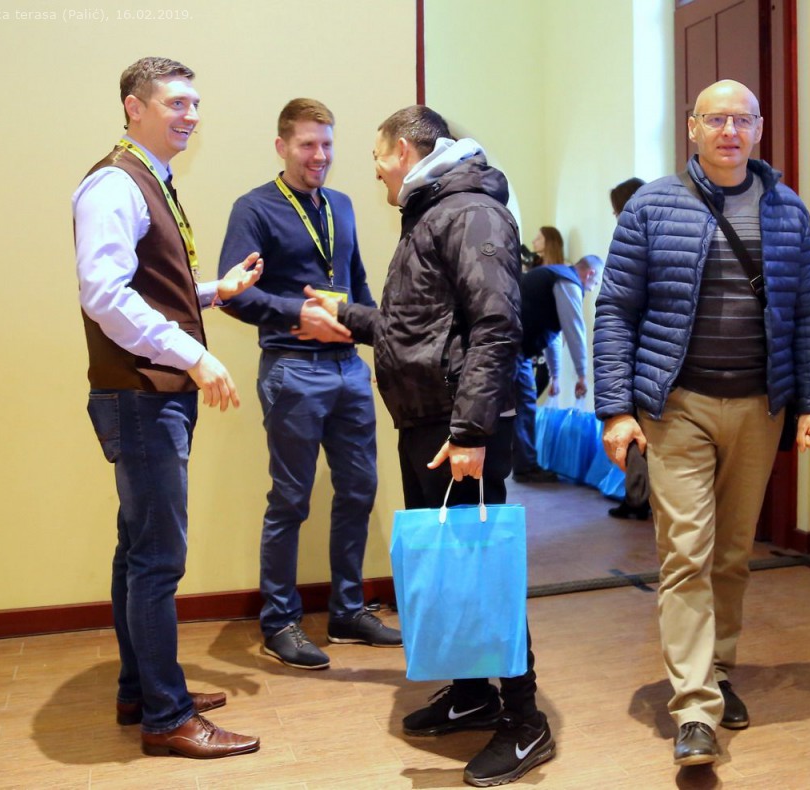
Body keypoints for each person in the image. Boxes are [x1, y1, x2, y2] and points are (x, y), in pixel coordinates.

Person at [297, 105, 553, 787]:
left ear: (406, 151)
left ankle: (525, 720)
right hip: (429, 420)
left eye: (378, 155)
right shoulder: (435, 211)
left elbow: (497, 325)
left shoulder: (470, 211)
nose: (377, 169)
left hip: (456, 427)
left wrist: (471, 430)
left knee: (481, 568)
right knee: (450, 568)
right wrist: (346, 317)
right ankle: (473, 693)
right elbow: (421, 328)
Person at [594, 79, 810, 767]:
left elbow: (806, 313)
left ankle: (718, 668)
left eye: (742, 120)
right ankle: (695, 707)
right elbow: (615, 310)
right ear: (693, 128)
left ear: (758, 129)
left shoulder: (788, 209)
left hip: (761, 406)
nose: (730, 131)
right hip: (678, 408)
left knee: (731, 553)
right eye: (716, 119)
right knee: (686, 552)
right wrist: (616, 408)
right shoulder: (651, 205)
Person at [74, 56, 262, 758]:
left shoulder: (147, 179)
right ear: (135, 106)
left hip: (146, 396)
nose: (192, 115)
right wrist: (194, 355)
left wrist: (213, 291)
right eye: (177, 103)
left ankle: (141, 689)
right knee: (157, 561)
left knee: (137, 551)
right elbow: (105, 294)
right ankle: (167, 717)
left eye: (195, 104)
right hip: (142, 397)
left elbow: (149, 286)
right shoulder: (115, 184)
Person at [217, 99, 400, 670]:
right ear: (282, 147)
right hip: (292, 369)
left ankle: (346, 612)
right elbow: (234, 295)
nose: (319, 155)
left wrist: (377, 346)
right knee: (290, 500)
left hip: (348, 370)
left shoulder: (341, 204)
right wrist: (299, 315)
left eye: (327, 144)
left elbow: (357, 283)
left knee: (359, 490)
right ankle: (279, 621)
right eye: (307, 145)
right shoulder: (254, 208)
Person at [511, 254, 601, 484]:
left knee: (525, 404)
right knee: (505, 405)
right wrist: (582, 375)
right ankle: (507, 467)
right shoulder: (568, 281)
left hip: (517, 350)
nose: (592, 288)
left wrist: (556, 376)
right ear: (590, 273)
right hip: (507, 347)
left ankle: (525, 467)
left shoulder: (556, 278)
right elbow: (574, 328)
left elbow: (552, 335)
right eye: (595, 282)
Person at [605, 177, 651, 520]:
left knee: (634, 430)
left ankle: (638, 497)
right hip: (652, 355)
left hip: (639, 354)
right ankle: (638, 495)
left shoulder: (632, 242)